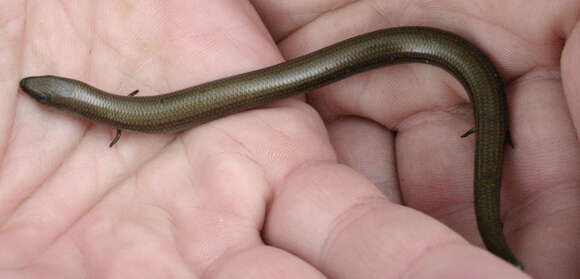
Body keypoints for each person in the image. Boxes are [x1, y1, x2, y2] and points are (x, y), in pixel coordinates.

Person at [1, 1, 578, 278]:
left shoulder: (127, 115)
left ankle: (498, 236)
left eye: (45, 93)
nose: (37, 93)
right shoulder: (124, 112)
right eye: (46, 95)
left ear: (73, 97)